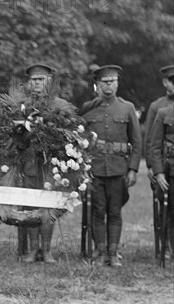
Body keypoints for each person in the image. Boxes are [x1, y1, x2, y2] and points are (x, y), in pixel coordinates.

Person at [80, 65, 142, 267]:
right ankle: (100, 251)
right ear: (96, 85)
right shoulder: (88, 108)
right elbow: (79, 139)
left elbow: (137, 141)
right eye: (104, 82)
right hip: (95, 169)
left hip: (118, 168)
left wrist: (132, 169)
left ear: (117, 83)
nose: (108, 86)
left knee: (115, 211)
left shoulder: (127, 108)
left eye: (112, 81)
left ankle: (113, 253)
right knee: (98, 211)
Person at [17, 64, 75, 264]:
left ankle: (47, 250)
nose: (37, 83)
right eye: (33, 80)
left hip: (52, 165)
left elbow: (71, 133)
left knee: (49, 207)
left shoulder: (60, 105)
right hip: (30, 163)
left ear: (49, 81)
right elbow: (14, 136)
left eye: (41, 79)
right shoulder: (22, 105)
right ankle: (33, 250)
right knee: (32, 206)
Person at [144, 65, 174, 259]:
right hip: (166, 166)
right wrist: (154, 169)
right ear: (166, 82)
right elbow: (151, 141)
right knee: (167, 209)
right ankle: (167, 246)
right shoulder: (160, 108)